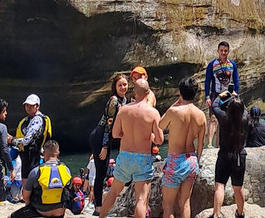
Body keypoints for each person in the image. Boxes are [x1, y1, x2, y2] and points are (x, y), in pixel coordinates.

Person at [99, 78, 163, 218]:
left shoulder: (124, 110)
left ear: (134, 92)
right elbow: (159, 140)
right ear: (148, 93)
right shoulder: (153, 113)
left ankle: (101, 216)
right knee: (141, 198)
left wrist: (127, 134)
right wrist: (150, 137)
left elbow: (115, 134)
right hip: (143, 158)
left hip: (125, 156)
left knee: (114, 191)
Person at [159, 77, 206, 218]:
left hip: (175, 160)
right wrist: (196, 161)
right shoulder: (201, 115)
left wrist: (173, 105)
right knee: (185, 203)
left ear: (180, 93)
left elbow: (160, 125)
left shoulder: (174, 112)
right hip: (191, 160)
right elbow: (201, 143)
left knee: (167, 205)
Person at [88, 73, 129, 213]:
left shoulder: (124, 100)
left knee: (104, 172)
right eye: (120, 85)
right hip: (100, 136)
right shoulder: (114, 101)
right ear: (115, 87)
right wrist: (104, 147)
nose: (123, 87)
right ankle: (98, 208)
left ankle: (100, 204)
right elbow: (108, 125)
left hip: (107, 138)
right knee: (100, 172)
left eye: (125, 84)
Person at [12, 139, 74, 218]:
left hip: (40, 211)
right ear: (58, 153)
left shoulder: (36, 171)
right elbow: (68, 190)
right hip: (60, 212)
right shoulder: (66, 170)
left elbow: (25, 196)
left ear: (44, 153)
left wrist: (28, 206)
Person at [210, 92, 249, 218]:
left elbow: (215, 106)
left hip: (224, 155)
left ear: (229, 108)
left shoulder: (223, 118)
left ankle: (216, 214)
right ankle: (240, 213)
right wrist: (237, 97)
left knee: (220, 186)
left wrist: (221, 96)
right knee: (238, 188)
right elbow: (245, 110)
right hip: (239, 156)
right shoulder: (244, 119)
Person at [204, 41, 238, 148]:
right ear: (218, 51)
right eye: (221, 50)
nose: (223, 53)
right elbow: (207, 81)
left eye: (225, 51)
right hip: (215, 94)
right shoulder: (212, 65)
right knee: (213, 118)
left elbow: (236, 80)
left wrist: (235, 92)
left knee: (224, 119)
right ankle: (209, 144)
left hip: (227, 94)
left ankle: (219, 144)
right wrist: (207, 96)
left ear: (228, 52)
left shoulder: (232, 65)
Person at [14, 94, 51, 181]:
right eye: (27, 105)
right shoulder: (29, 119)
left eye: (31, 105)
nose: (28, 107)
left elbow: (26, 141)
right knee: (26, 184)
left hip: (32, 157)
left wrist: (12, 140)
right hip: (27, 157)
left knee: (28, 185)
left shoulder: (37, 120)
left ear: (37, 106)